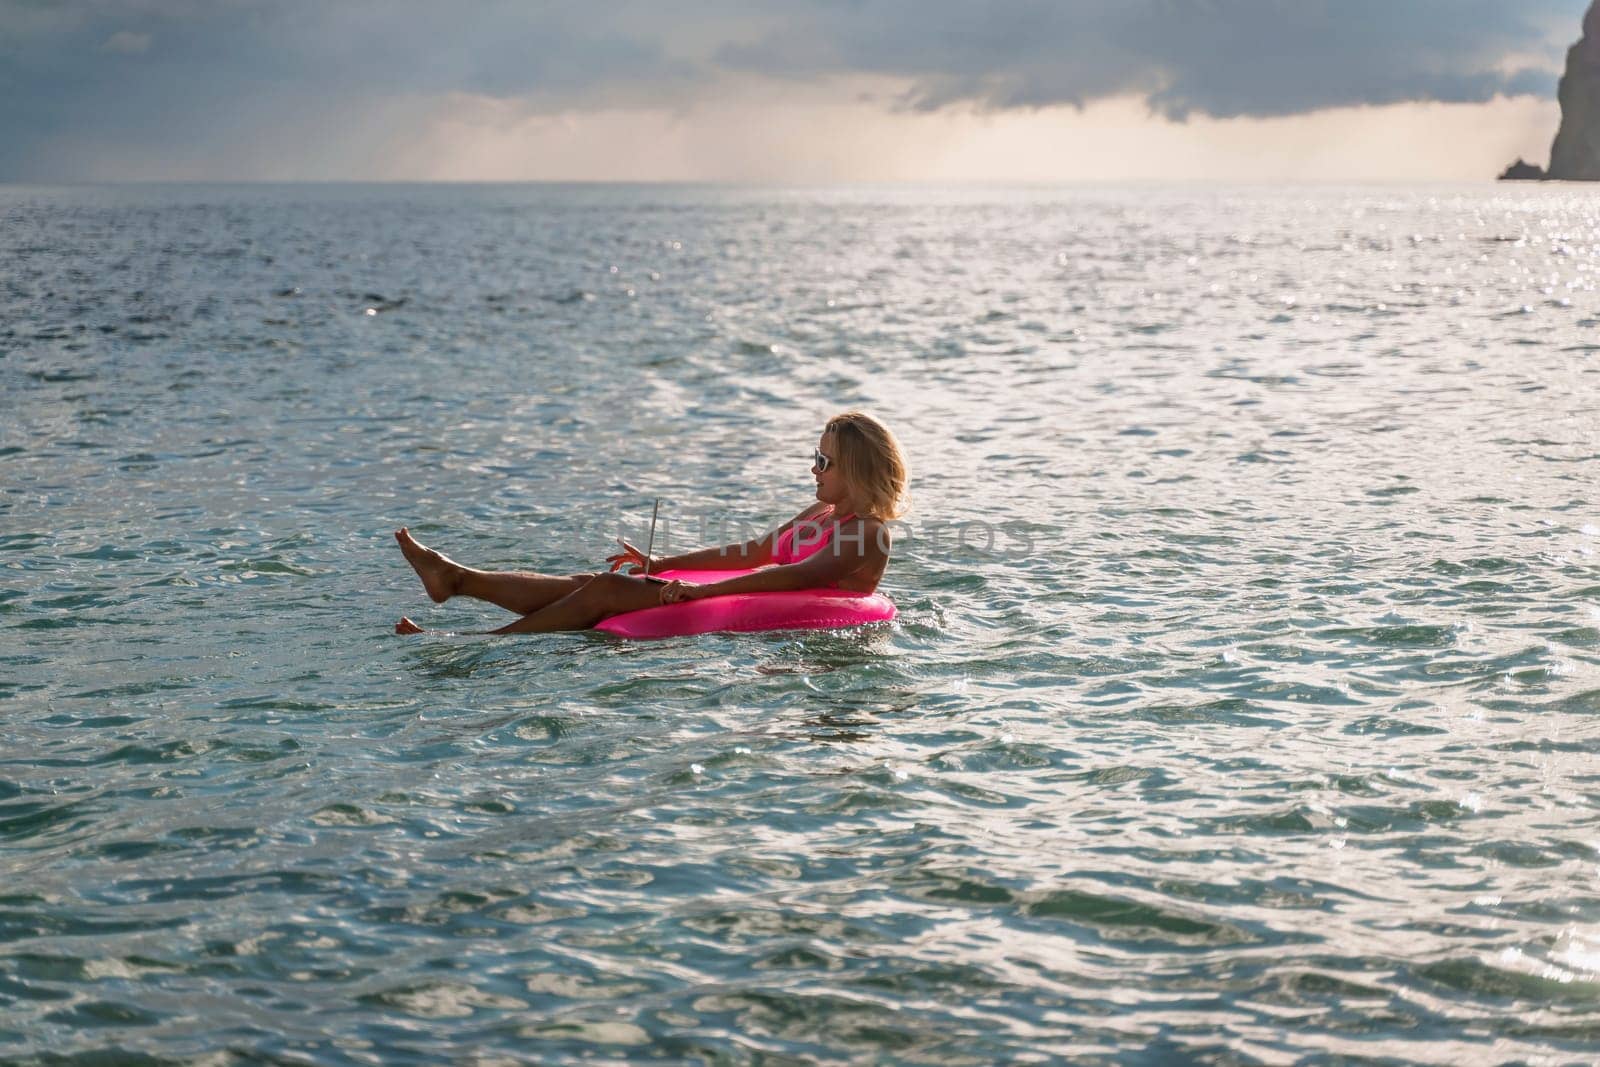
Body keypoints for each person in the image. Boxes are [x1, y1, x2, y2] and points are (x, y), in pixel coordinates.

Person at [393, 411, 908, 635]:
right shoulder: (822, 513)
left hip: (784, 615)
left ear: (857, 470)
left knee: (607, 591)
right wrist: (661, 563)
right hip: (745, 592)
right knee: (595, 584)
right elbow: (755, 552)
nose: (812, 469)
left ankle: (478, 645)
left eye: (824, 462)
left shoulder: (866, 533)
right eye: (814, 458)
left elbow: (795, 578)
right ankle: (457, 580)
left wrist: (699, 593)